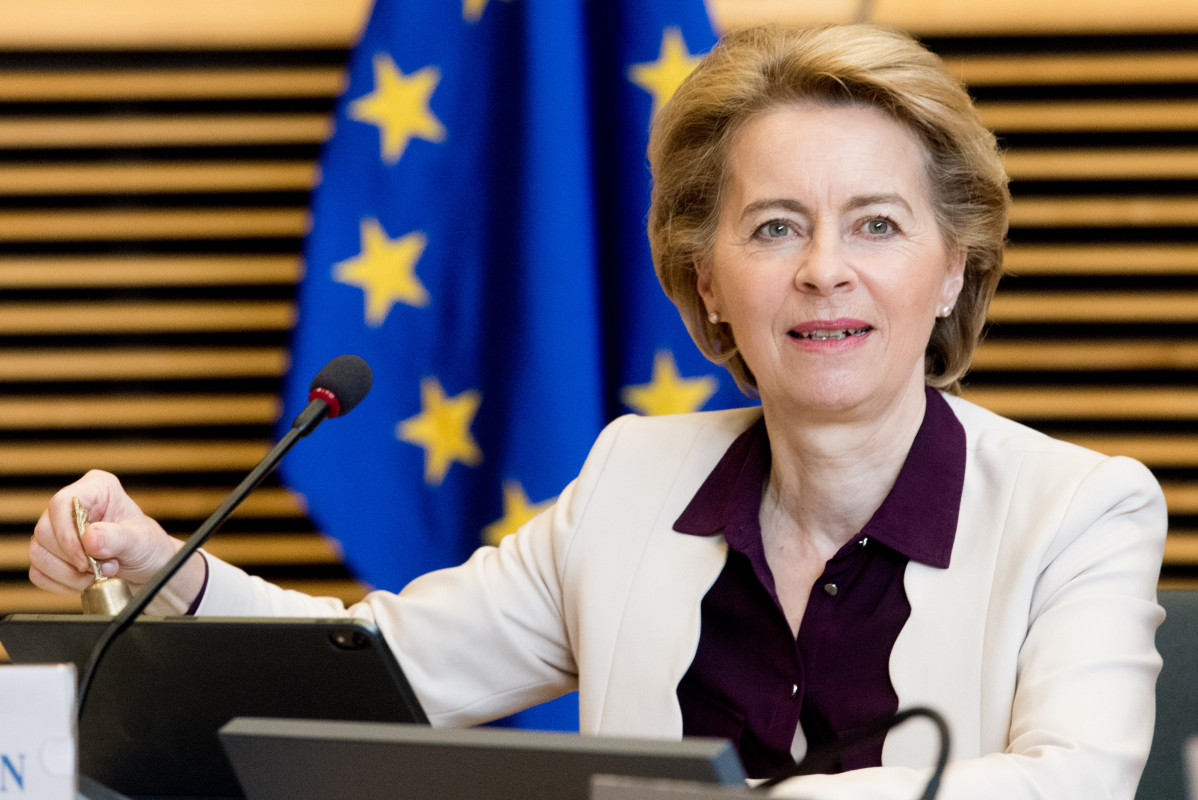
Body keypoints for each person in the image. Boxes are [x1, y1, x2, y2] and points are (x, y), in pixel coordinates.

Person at [29, 23, 1165, 800]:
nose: (824, 269)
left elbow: (1071, 778)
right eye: (774, 226)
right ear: (705, 275)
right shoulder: (633, 481)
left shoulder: (1079, 508)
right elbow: (383, 670)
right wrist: (176, 572)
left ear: (954, 267)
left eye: (876, 223)